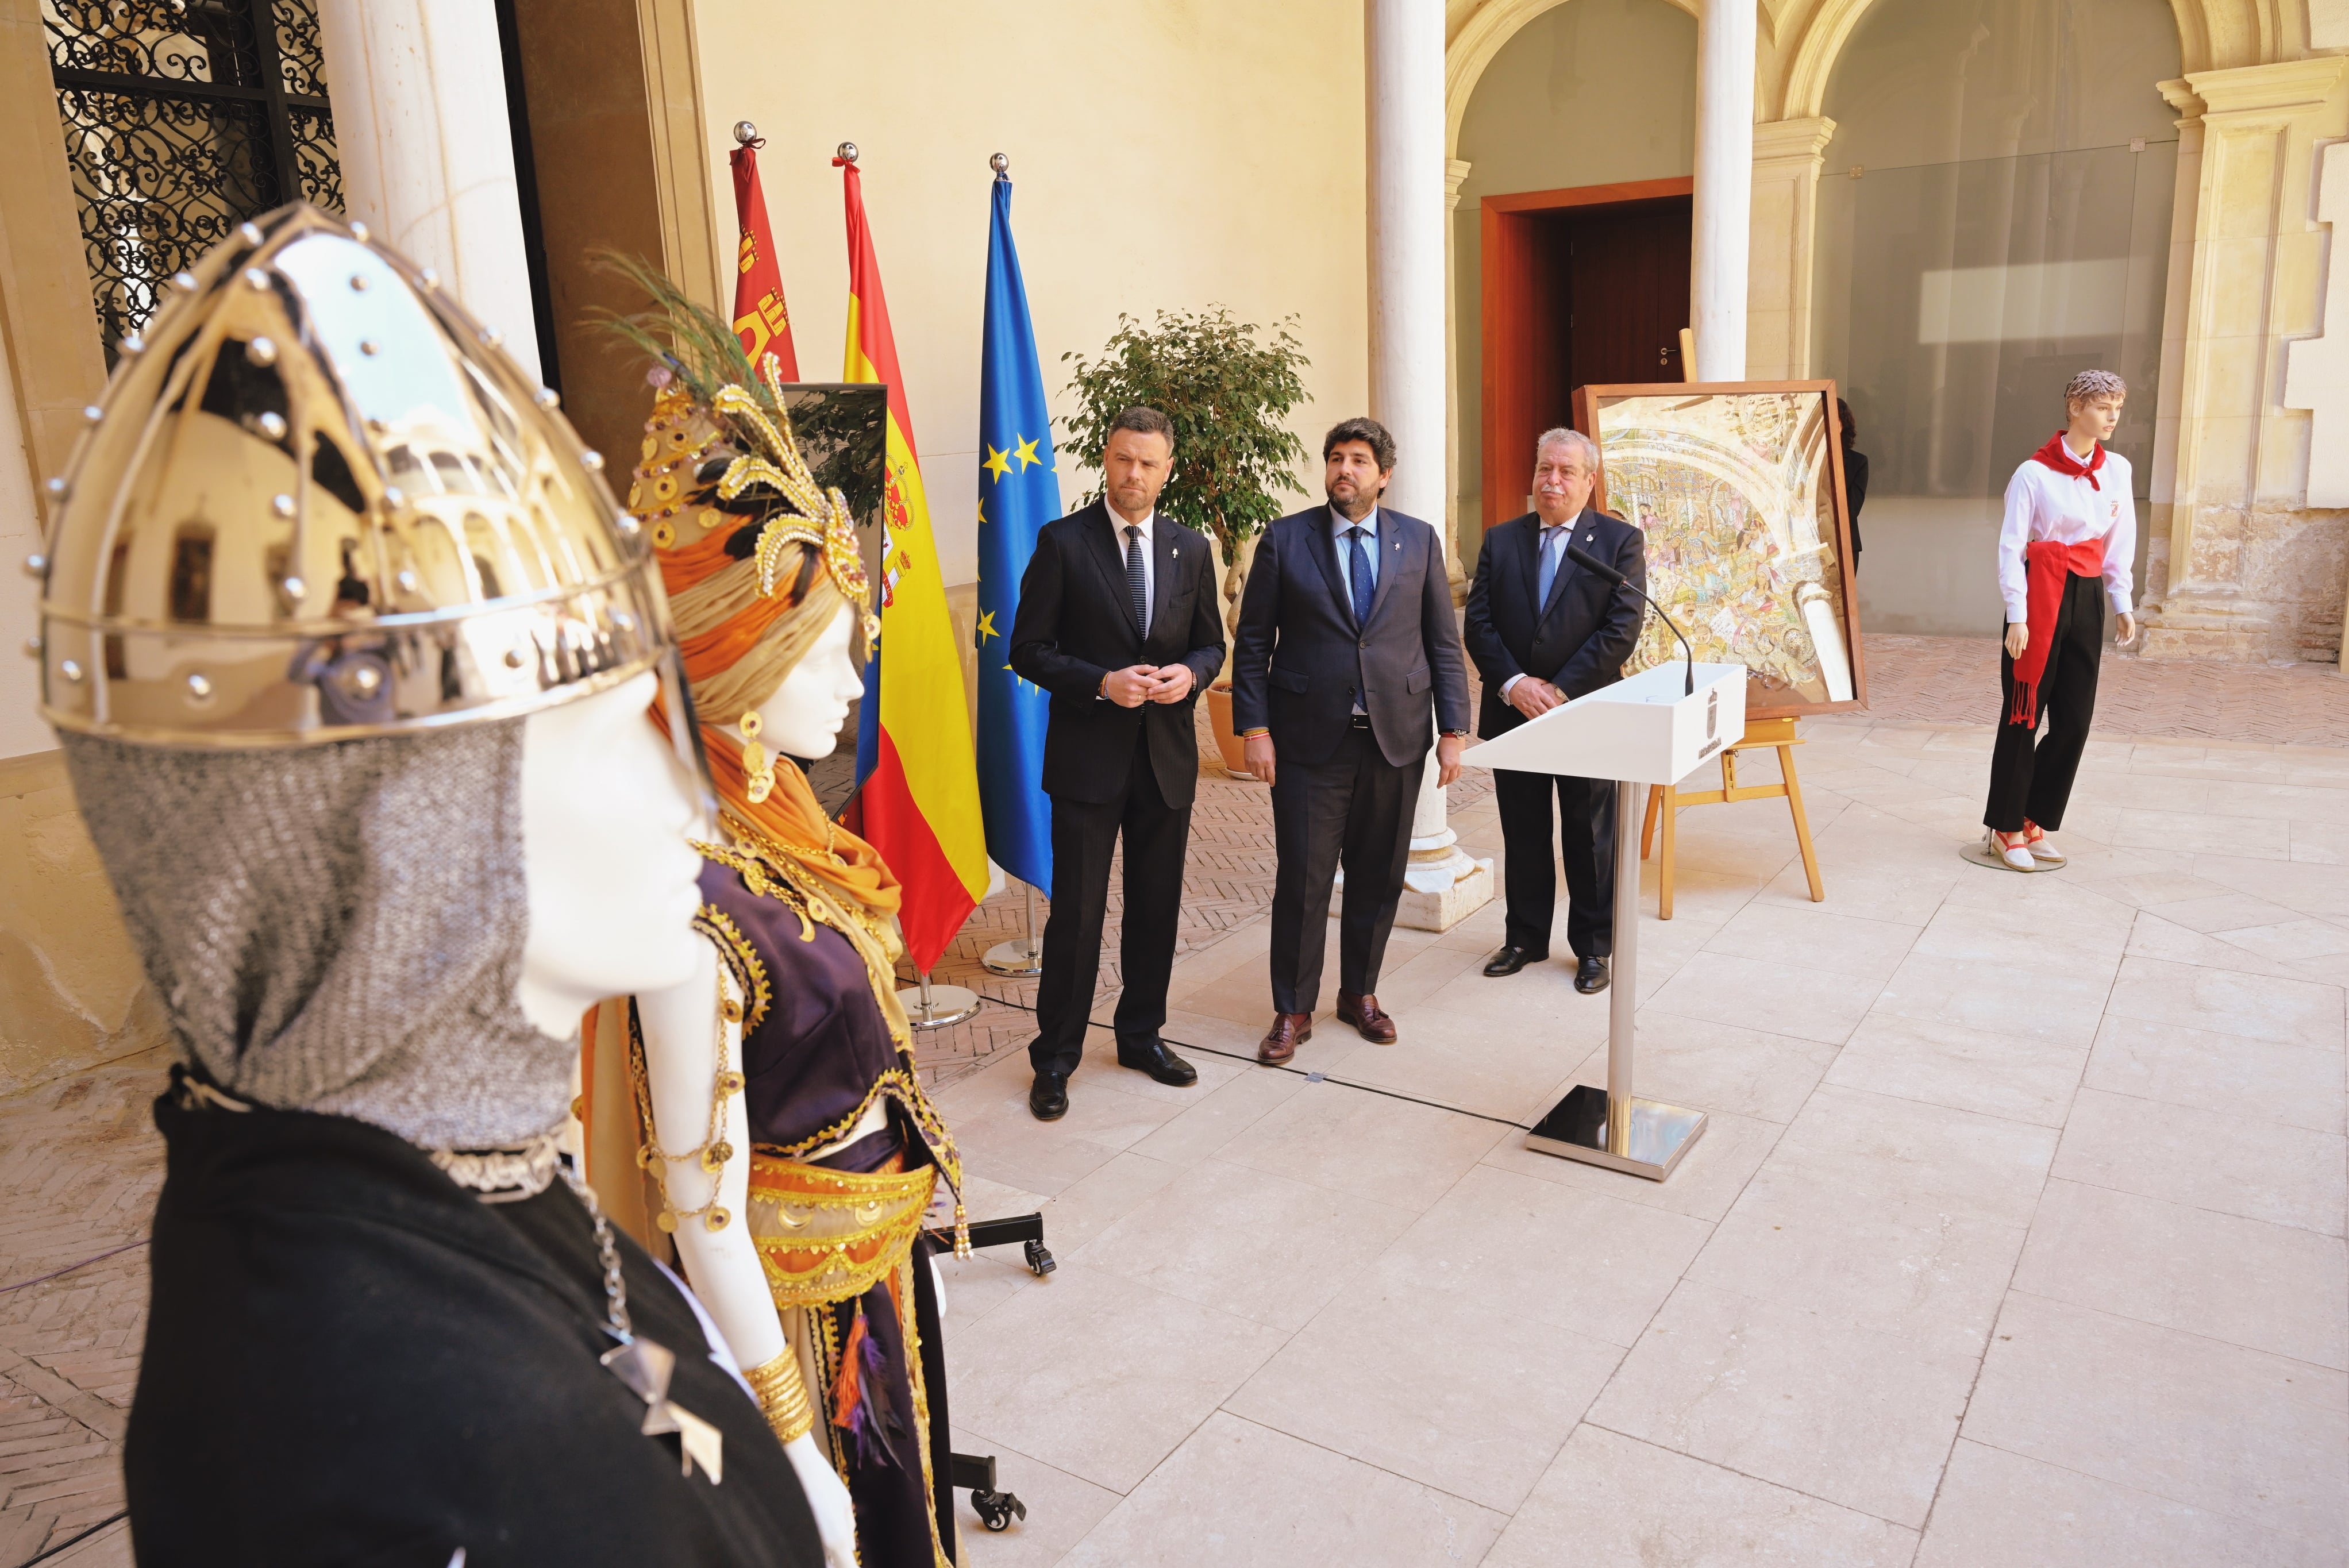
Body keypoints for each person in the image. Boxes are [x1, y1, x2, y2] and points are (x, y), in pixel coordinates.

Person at [39, 205, 822, 1565]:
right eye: (610, 729)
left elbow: (600, 1339)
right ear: (392, 832)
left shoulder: (418, 1165)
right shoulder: (414, 1465)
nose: (687, 799)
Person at [622, 328, 973, 1568]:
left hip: (876, 1267)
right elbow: (696, 1200)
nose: (855, 676)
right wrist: (783, 1435)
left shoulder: (781, 810)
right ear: (739, 668)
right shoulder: (689, 894)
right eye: (825, 651)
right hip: (800, 1314)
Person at [1008, 406, 1227, 1120]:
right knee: (1077, 912)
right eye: (1122, 459)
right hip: (1086, 762)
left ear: (1166, 471)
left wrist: (1188, 677)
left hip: (1164, 760)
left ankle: (1140, 1036)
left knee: (1155, 907)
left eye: (1147, 463)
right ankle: (1056, 1058)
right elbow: (1027, 649)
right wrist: (1101, 682)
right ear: (1106, 459)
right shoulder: (1063, 542)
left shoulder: (1190, 548)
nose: (1132, 475)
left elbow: (1209, 644)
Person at [1230, 417, 1471, 1064]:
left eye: (1359, 460)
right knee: (1303, 880)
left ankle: (1359, 993)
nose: (1345, 470)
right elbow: (1253, 645)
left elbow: (1442, 646)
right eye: (1336, 458)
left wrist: (1452, 730)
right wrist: (1254, 728)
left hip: (1394, 739)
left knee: (1378, 875)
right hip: (1309, 742)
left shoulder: (1417, 542)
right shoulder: (1284, 541)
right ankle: (1292, 1007)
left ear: (1383, 475)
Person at [1462, 428, 1647, 993]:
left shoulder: (1617, 542)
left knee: (1589, 835)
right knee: (1522, 829)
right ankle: (1524, 937)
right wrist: (1516, 684)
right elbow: (1479, 623)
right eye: (1545, 468)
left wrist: (1559, 690)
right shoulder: (1501, 540)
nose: (1553, 480)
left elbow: (1621, 628)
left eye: (1567, 471)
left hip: (1585, 710)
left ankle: (1593, 949)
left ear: (1589, 482)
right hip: (1512, 710)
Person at [1981, 369, 2138, 870]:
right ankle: (2006, 827)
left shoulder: (2118, 470)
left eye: (2118, 406)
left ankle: (2035, 817)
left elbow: (2120, 539)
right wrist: (2017, 614)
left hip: (2088, 594)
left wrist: (2122, 600)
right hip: (2041, 594)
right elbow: (2011, 547)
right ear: (2075, 408)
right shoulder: (2033, 473)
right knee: (2023, 714)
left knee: (2074, 719)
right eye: (2102, 406)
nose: (2112, 416)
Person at [1838, 396, 1867, 565]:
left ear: (1843, 424)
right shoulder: (1805, 460)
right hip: (1809, 543)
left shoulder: (1858, 462)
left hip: (1845, 543)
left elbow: (1851, 509)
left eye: (1835, 420)